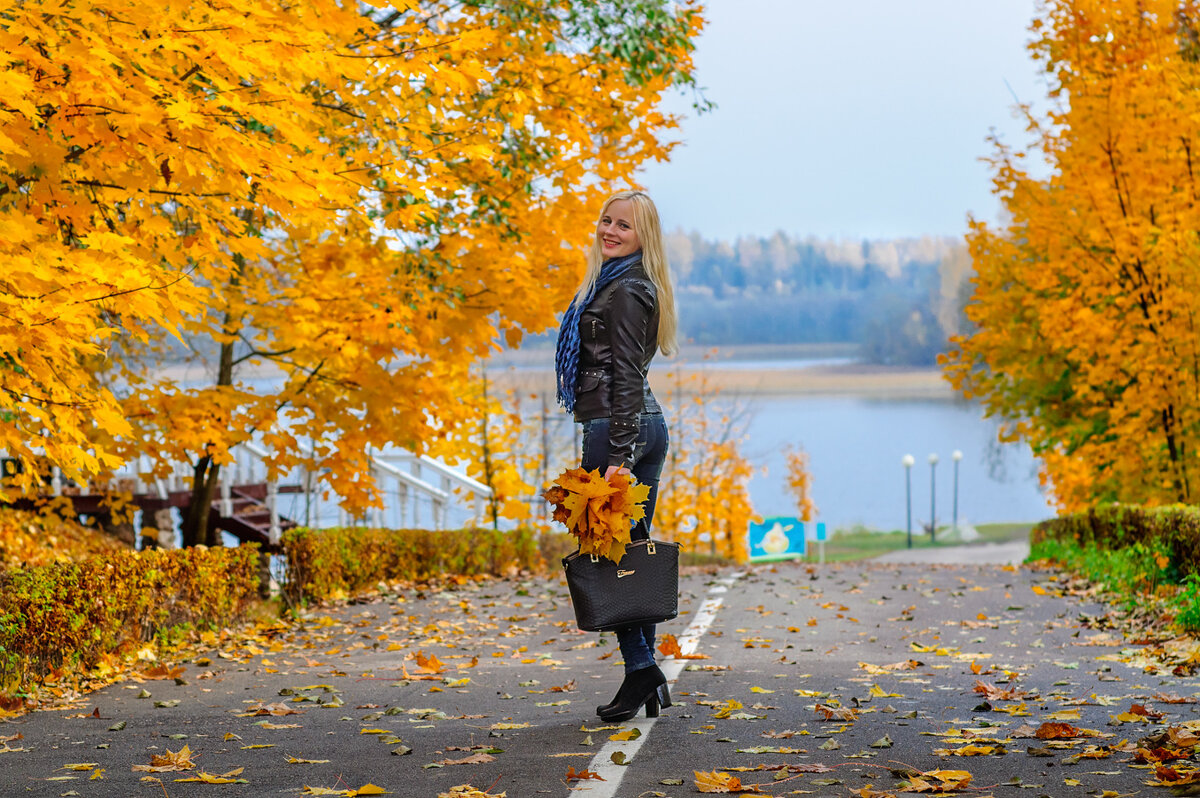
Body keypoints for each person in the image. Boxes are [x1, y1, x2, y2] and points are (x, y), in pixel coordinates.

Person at [553, 189, 678, 722]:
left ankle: (641, 669)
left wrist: (619, 456)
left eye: (623, 225)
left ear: (642, 236)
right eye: (606, 220)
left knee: (612, 555)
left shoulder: (626, 289)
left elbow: (625, 373)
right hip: (637, 425)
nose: (610, 230)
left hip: (617, 430)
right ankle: (644, 677)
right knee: (630, 554)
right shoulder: (619, 283)